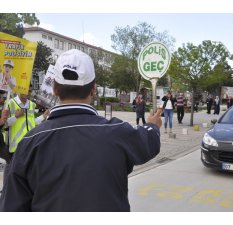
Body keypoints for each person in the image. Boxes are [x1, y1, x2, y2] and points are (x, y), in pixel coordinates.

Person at [0, 49, 162, 212]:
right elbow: (150, 141)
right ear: (93, 89)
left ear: (55, 89)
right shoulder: (118, 132)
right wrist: (153, 125)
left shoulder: (28, 143)